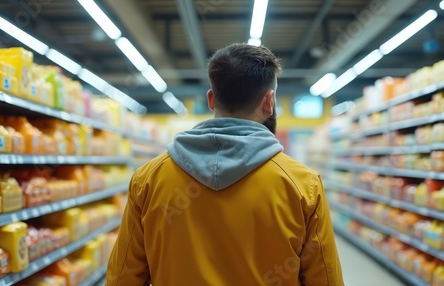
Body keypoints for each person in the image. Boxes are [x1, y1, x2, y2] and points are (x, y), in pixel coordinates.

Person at [106, 43, 343, 286]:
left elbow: (123, 278)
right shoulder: (304, 184)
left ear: (211, 99)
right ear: (269, 102)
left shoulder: (149, 178)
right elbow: (324, 279)